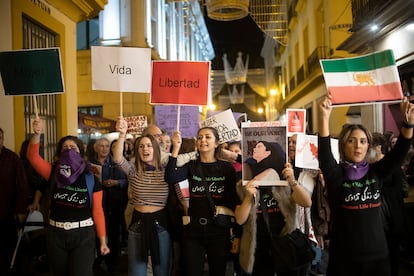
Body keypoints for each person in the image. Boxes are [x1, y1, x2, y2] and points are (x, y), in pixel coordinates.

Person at [317, 95, 414, 276]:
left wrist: (408, 125)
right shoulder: (335, 174)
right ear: (343, 146)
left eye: (363, 141)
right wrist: (323, 117)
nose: (358, 146)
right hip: (345, 260)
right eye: (351, 141)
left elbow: (400, 152)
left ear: (368, 145)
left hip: (377, 259)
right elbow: (324, 152)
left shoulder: (376, 172)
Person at [27, 119, 110, 276]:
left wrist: (103, 240)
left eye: (73, 147)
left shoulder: (91, 177)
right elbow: (33, 157)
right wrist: (37, 134)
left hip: (83, 234)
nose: (69, 150)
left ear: (80, 152)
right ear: (59, 155)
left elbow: (98, 211)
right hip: (56, 234)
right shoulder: (52, 172)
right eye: (65, 148)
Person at [165, 127, 240, 276]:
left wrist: (237, 233)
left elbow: (234, 200)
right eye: (199, 137)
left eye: (207, 137)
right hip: (193, 230)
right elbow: (170, 177)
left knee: (218, 271)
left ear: (217, 143)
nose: (203, 140)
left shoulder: (226, 168)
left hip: (219, 229)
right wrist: (176, 148)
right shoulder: (191, 166)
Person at [235, 138, 312, 276]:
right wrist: (247, 196)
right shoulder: (245, 184)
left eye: (259, 146)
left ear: (268, 152)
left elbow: (306, 203)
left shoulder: (279, 179)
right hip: (258, 246)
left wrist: (293, 182)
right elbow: (240, 220)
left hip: (285, 244)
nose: (254, 149)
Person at [112, 117, 171, 276]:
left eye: (149, 146)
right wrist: (122, 134)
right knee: (137, 272)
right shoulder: (133, 171)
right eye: (142, 146)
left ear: (156, 149)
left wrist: (177, 145)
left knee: (161, 271)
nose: (145, 149)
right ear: (138, 151)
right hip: (137, 224)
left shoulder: (166, 170)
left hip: (160, 224)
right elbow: (117, 158)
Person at [369, 132, 410, 276]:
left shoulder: (390, 166)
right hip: (377, 221)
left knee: (392, 254)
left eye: (370, 146)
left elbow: (399, 189)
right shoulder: (369, 168)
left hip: (390, 218)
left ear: (379, 147)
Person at [91, 137, 128, 274]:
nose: (105, 149)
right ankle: (99, 261)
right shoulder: (89, 164)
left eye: (107, 146)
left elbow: (128, 180)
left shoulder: (116, 163)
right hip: (96, 206)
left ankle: (113, 265)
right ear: (96, 148)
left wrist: (116, 183)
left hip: (113, 206)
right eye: (101, 146)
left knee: (113, 236)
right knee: (97, 236)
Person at [0, 128, 30, 275]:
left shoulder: (12, 159)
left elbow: (22, 187)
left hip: (7, 212)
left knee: (8, 249)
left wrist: (20, 210)